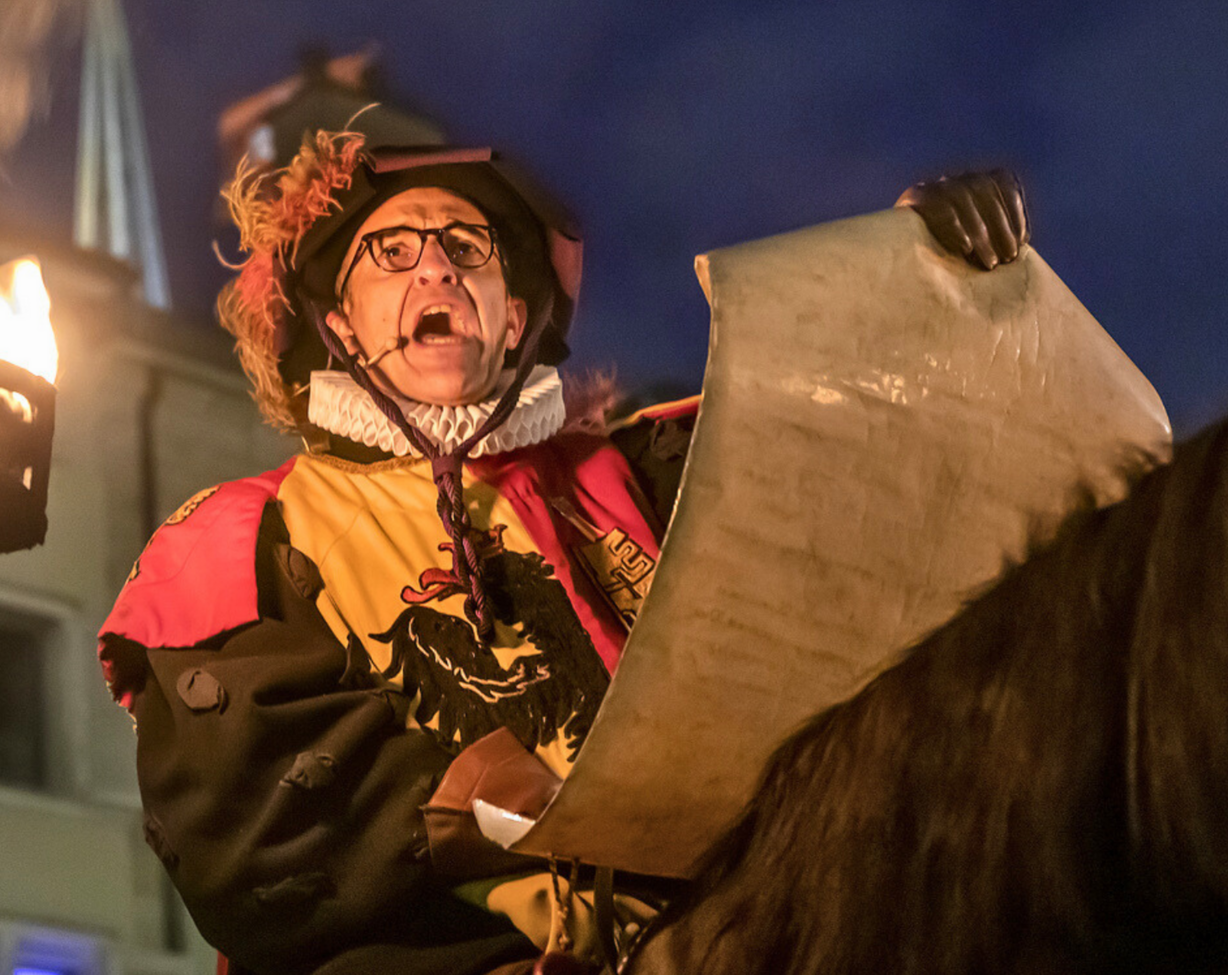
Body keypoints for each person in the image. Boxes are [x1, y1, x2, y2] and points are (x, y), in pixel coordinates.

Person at [96, 133, 1029, 975]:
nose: (438, 272)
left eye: (470, 250)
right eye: (393, 252)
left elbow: (885, 479)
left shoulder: (653, 473)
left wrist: (923, 285)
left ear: (514, 319)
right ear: (340, 324)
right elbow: (252, 840)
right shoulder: (242, 535)